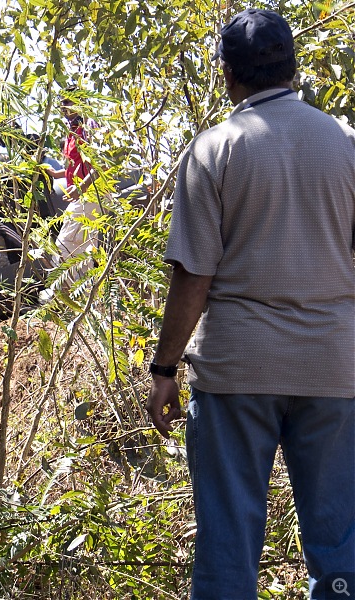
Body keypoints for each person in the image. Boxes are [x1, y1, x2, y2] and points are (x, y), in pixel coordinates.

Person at [145, 8, 355, 598]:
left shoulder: (214, 150)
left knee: (228, 541)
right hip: (333, 369)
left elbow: (194, 277)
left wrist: (164, 369)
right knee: (340, 544)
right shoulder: (345, 144)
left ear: (228, 76)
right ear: (293, 67)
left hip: (238, 371)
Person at [46, 88, 102, 288]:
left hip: (91, 194)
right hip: (82, 194)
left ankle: (70, 292)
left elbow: (100, 164)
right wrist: (56, 173)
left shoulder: (89, 126)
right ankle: (90, 297)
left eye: (68, 103)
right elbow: (75, 167)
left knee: (64, 246)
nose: (64, 108)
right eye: (62, 104)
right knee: (84, 249)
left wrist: (82, 186)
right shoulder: (71, 132)